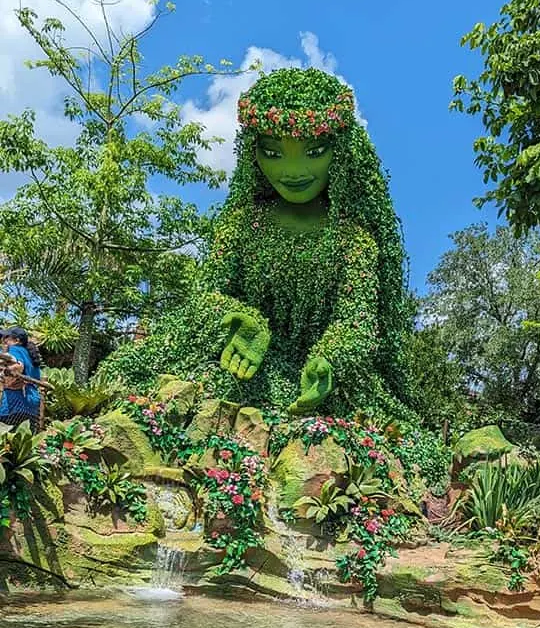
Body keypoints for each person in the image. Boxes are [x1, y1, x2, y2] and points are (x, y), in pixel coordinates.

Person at [107, 68, 415, 419]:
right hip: (238, 369)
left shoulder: (355, 242)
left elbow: (356, 322)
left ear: (342, 153)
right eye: (273, 152)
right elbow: (205, 293)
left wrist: (328, 358)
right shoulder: (241, 226)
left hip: (321, 393)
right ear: (254, 153)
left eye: (314, 151)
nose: (293, 170)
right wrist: (239, 319)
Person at [0, 327, 42, 426]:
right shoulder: (30, 354)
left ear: (17, 340)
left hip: (14, 404)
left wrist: (5, 374)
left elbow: (18, 365)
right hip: (32, 403)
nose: (4, 340)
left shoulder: (15, 349)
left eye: (7, 337)